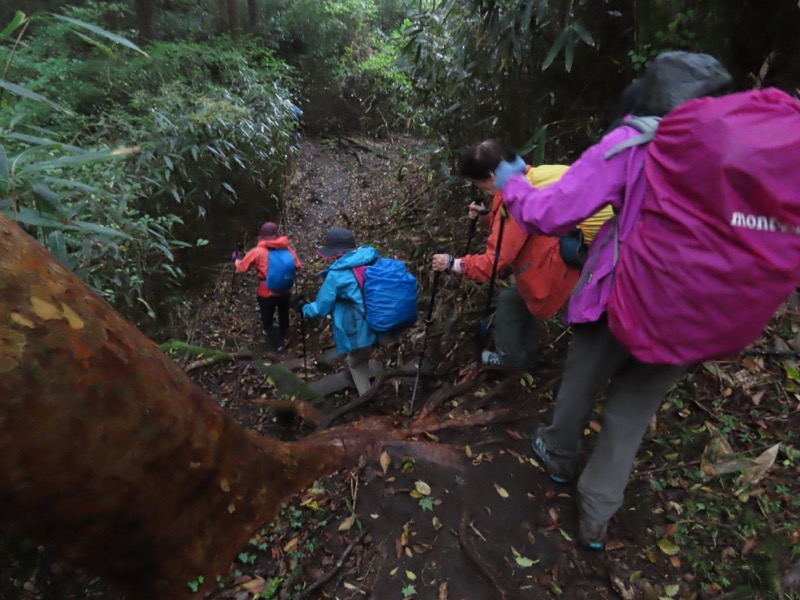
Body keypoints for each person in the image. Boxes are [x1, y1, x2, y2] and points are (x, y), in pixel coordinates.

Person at [489, 52, 734, 550]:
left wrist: (512, 182)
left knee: (583, 378)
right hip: (696, 315)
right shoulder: (742, 155)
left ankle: (558, 453)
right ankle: (597, 516)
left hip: (623, 296)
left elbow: (551, 211)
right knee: (631, 412)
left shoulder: (640, 141)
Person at [431, 141, 612, 371]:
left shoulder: (517, 199)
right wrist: (488, 216)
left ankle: (511, 359)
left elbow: (494, 262)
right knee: (522, 297)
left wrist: (453, 264)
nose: (481, 190)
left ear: (490, 175)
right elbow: (509, 223)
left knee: (515, 298)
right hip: (593, 241)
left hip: (593, 255)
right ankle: (528, 356)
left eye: (479, 184)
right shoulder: (533, 175)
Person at [300, 228, 378, 396]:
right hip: (379, 320)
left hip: (359, 327)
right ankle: (369, 391)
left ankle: (367, 399)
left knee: (355, 363)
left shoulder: (336, 274)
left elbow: (321, 307)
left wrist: (304, 308)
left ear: (335, 253)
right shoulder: (370, 259)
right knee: (360, 358)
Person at [234, 222, 302, 353]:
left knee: (268, 319)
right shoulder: (287, 249)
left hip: (266, 292)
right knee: (283, 314)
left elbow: (242, 268)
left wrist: (236, 260)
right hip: (286, 290)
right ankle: (283, 337)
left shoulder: (257, 252)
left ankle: (277, 345)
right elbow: (298, 266)